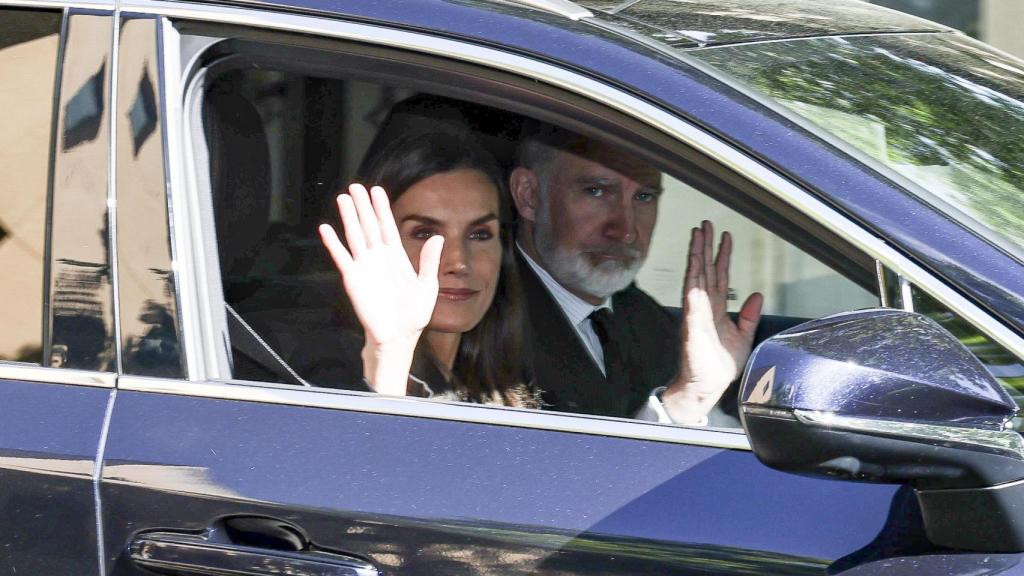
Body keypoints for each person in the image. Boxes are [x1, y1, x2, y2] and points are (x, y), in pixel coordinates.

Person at [507, 125, 764, 425]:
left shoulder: (646, 319)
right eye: (597, 191)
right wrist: (685, 399)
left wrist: (696, 393)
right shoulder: (481, 326)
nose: (626, 231)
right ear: (529, 195)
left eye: (643, 196)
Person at [318, 131, 535, 407]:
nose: (458, 262)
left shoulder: (509, 382)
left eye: (480, 234)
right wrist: (389, 357)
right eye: (424, 233)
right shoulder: (329, 369)